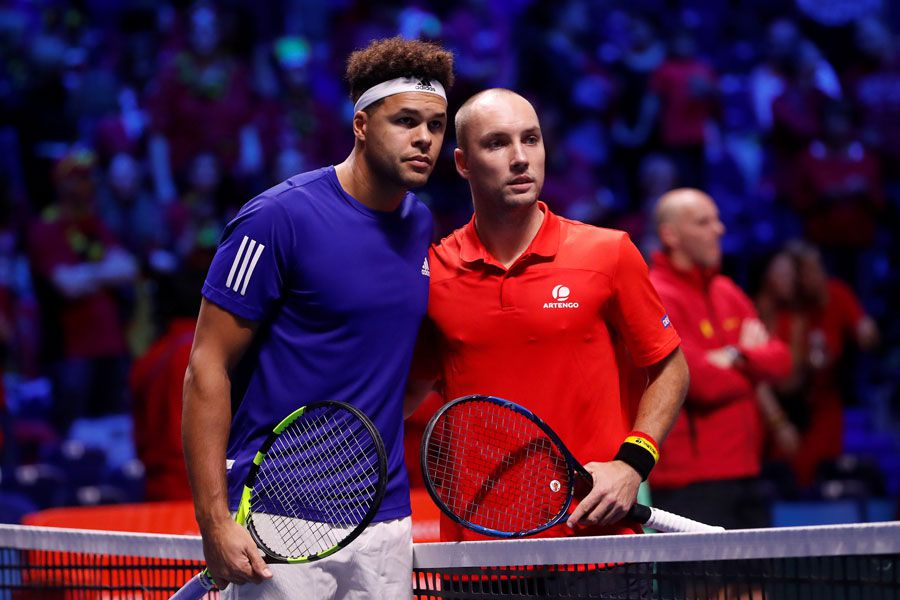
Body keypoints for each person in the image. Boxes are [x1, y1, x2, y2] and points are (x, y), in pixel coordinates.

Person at [181, 37, 454, 599]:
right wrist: (214, 519)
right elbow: (206, 368)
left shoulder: (420, 225)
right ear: (360, 124)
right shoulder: (277, 218)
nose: (424, 138)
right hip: (278, 517)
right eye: (405, 121)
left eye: (436, 124)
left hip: (384, 520)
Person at [406, 89, 690, 547]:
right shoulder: (433, 273)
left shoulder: (608, 252)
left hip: (596, 542)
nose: (521, 158)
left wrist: (632, 463)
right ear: (462, 163)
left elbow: (669, 367)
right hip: (480, 550)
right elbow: (406, 391)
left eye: (531, 140)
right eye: (497, 144)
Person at [647, 188, 792, 529]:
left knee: (758, 584)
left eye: (717, 220)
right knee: (708, 585)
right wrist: (753, 365)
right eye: (703, 222)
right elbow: (698, 384)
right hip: (691, 482)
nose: (719, 229)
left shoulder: (727, 290)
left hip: (747, 470)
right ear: (671, 235)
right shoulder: (654, 292)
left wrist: (734, 356)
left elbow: (781, 361)